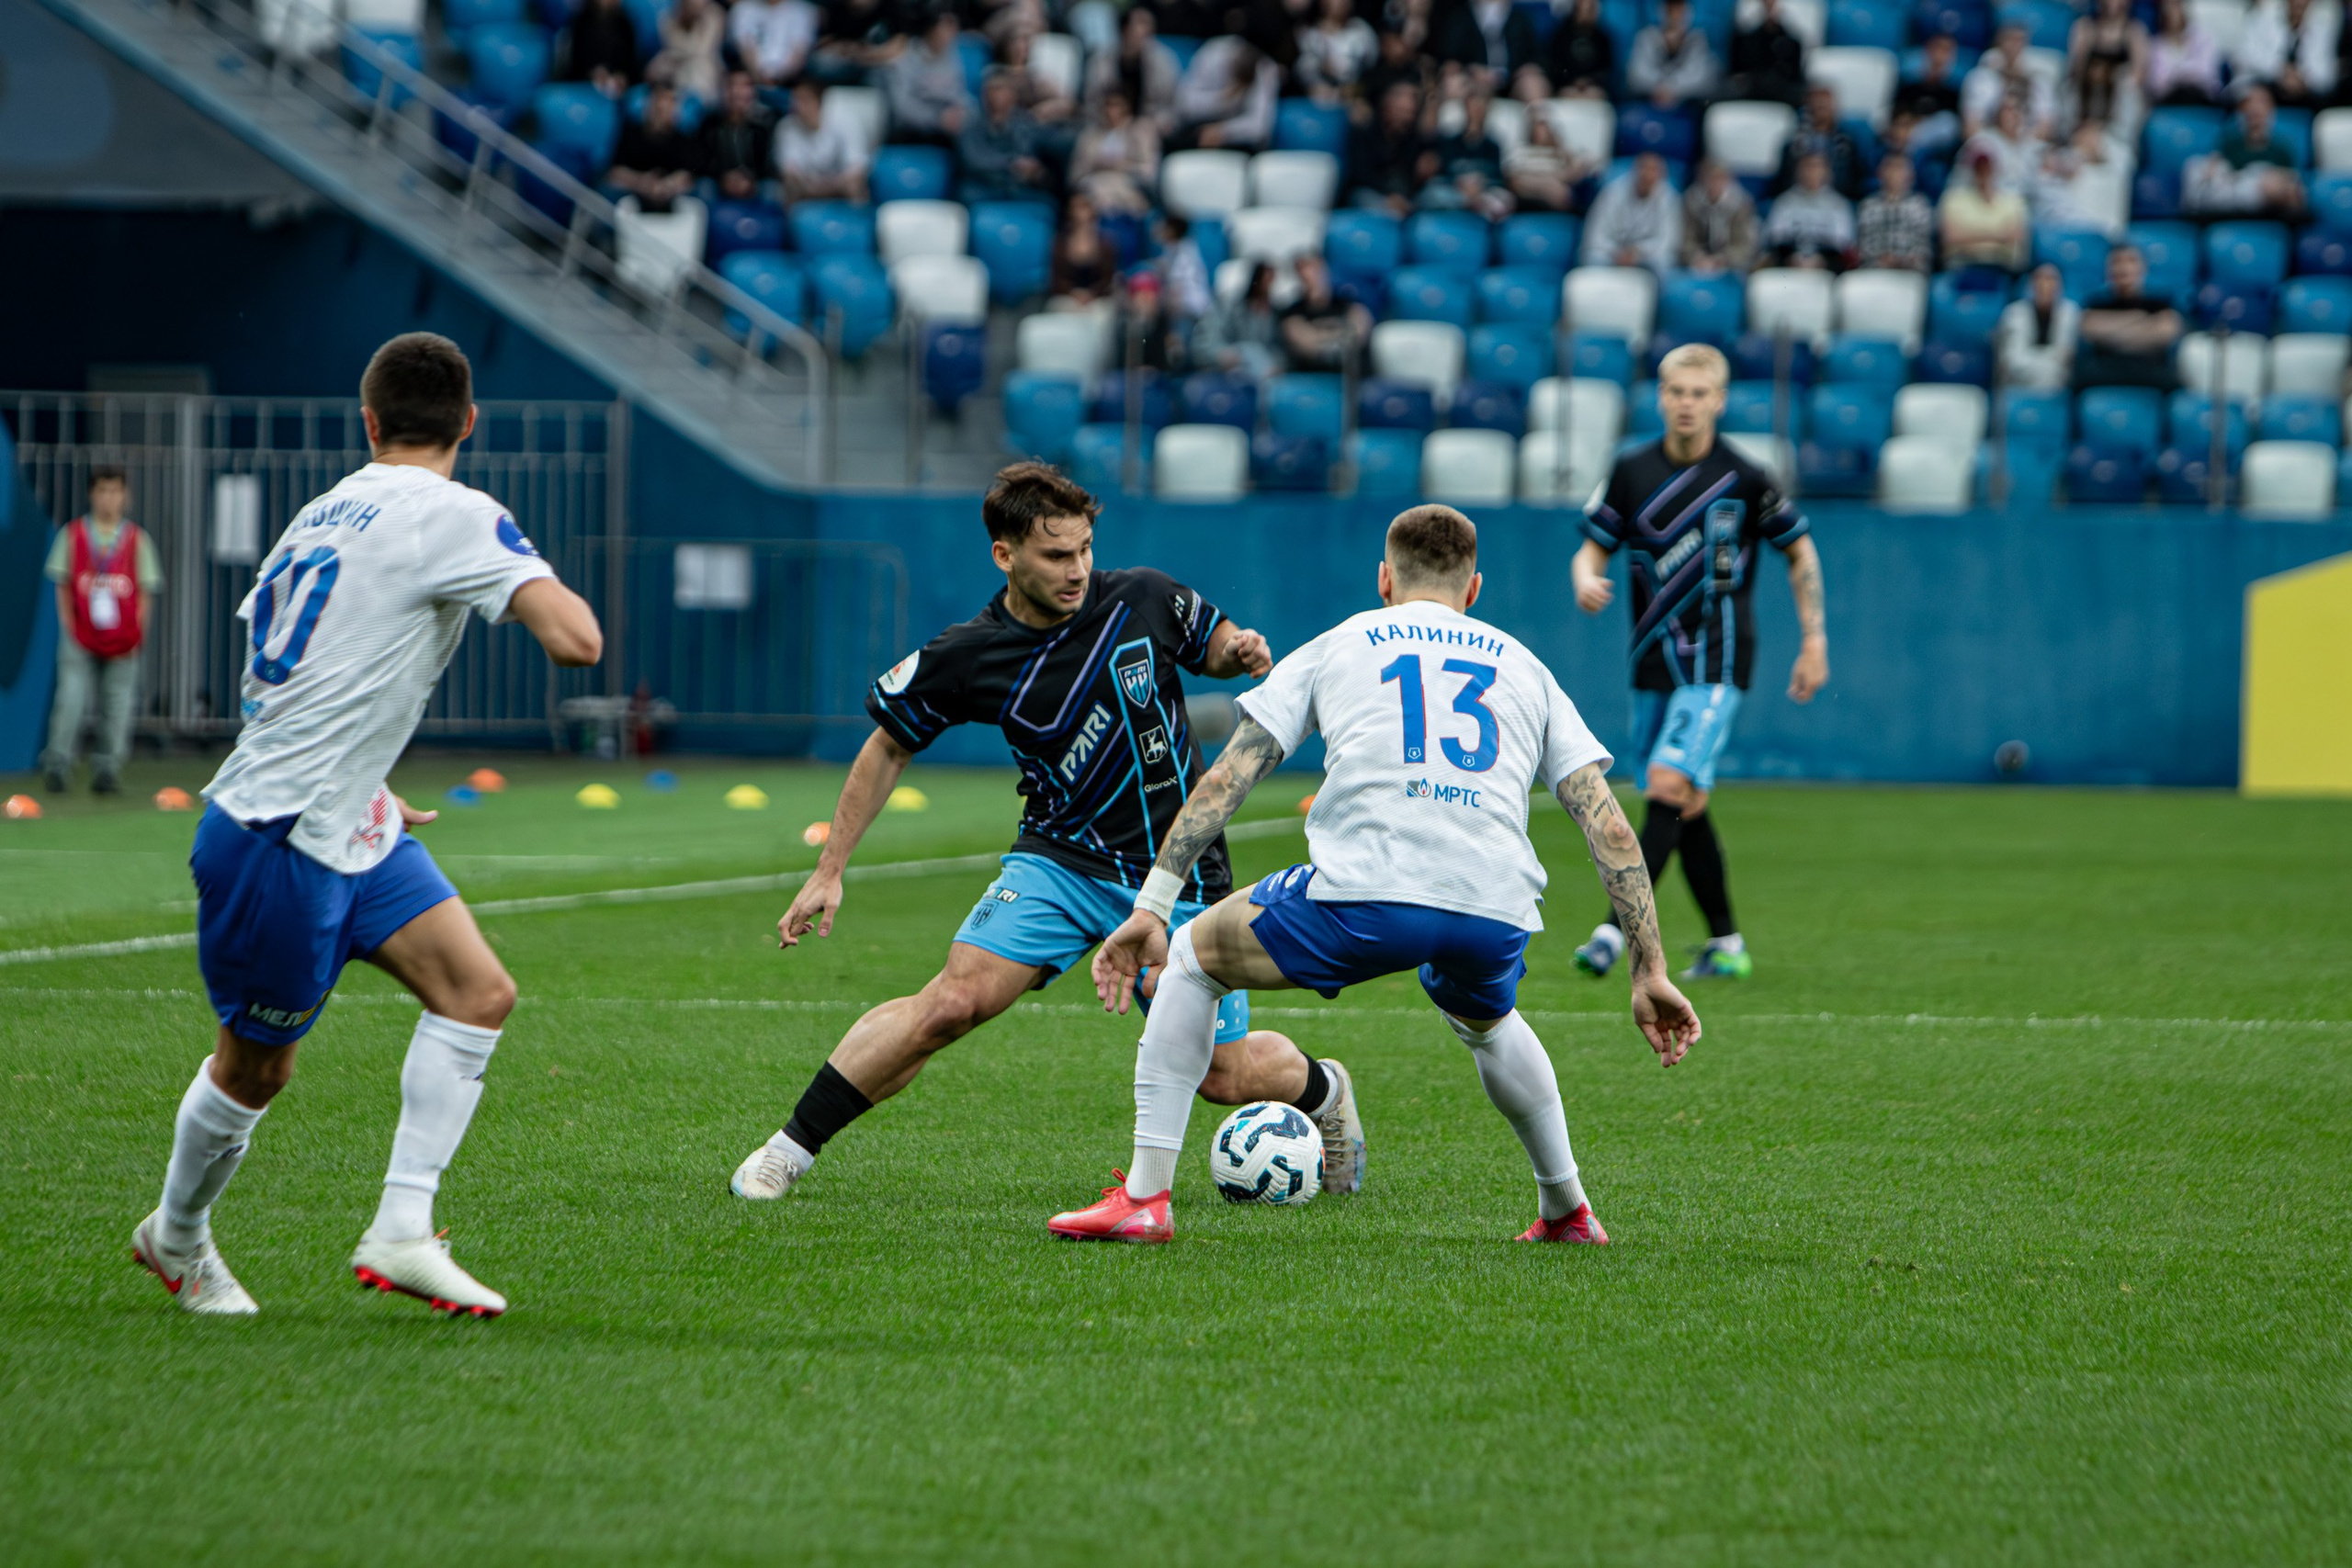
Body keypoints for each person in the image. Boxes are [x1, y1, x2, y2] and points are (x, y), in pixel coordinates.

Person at [1053, 505, 1702, 1247]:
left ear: (1385, 579)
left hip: (1363, 899)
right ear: (1475, 588)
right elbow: (1611, 825)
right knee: (1488, 1022)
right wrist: (1648, 966)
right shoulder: (1526, 667)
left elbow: (1228, 776)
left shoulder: (1340, 643)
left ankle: (1143, 1198)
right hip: (1493, 911)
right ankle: (1569, 1210)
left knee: (1194, 958)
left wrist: (1153, 906)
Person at [729, 465, 1365, 1206]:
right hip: (1058, 860)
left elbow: (1214, 645)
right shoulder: (969, 654)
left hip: (1179, 870)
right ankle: (787, 1150)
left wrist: (1240, 650)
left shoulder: (1143, 596)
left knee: (1221, 1074)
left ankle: (1323, 1088)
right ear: (1005, 555)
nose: (1077, 569)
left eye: (1085, 549)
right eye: (1056, 555)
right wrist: (829, 867)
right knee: (951, 1002)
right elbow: (888, 744)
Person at [131, 333, 604, 1317]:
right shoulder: (455, 512)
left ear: (369, 420)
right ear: (469, 422)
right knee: (257, 1068)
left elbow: (281, 680)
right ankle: (174, 1237)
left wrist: (367, 783)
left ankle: (401, 1230)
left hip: (347, 820)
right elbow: (578, 641)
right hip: (278, 837)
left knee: (477, 992)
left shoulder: (319, 511)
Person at [1570, 344, 1828, 984]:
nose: (1686, 403)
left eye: (1698, 393)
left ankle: (1613, 931)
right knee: (1687, 800)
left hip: (1719, 656)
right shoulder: (1631, 470)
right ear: (1661, 397)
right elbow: (1590, 551)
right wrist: (1584, 579)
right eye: (1675, 391)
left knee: (1664, 784)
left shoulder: (1746, 475)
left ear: (1718, 400)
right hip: (1651, 656)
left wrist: (1814, 639)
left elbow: (1800, 552)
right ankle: (1728, 942)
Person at [42, 466, 161, 795]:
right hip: (80, 634)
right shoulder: (74, 534)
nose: (108, 498)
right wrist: (69, 624)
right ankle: (58, 766)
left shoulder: (137, 539)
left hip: (123, 638)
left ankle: (108, 770)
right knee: (70, 700)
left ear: (126, 496)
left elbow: (145, 591)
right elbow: (62, 584)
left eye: (115, 491)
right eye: (102, 491)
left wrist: (137, 633)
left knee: (118, 706)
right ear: (92, 495)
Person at [2186, 84, 2309, 216]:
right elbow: (2216, 178)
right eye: (2249, 102)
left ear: (2271, 109)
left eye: (2262, 102)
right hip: (2233, 209)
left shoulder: (2283, 148)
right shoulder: (2229, 143)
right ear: (2241, 110)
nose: (2255, 108)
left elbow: (2293, 192)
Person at [2072, 243, 2183, 389]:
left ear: (2143, 267)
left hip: (2150, 370)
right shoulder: (2095, 302)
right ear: (2107, 269)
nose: (2123, 267)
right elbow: (2090, 330)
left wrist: (2111, 332)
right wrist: (2140, 319)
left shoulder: (2161, 301)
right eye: (2117, 262)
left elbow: (2165, 333)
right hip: (2105, 370)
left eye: (2131, 261)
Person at [607, 84, 706, 212]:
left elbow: (688, 175)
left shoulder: (683, 139)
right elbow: (615, 172)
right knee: (606, 191)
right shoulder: (630, 133)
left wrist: (667, 185)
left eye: (672, 101)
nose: (665, 106)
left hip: (670, 195)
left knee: (703, 191)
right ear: (649, 104)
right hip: (633, 192)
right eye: (660, 100)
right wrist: (641, 182)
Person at [1170, 35, 1280, 150]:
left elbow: (1260, 128)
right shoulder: (1213, 54)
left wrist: (1223, 132)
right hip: (1201, 124)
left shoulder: (1264, 67)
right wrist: (1224, 99)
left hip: (1236, 137)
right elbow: (1185, 104)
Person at [958, 69, 1052, 202]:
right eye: (993, 89)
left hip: (1015, 186)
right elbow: (973, 160)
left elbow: (1028, 152)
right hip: (982, 185)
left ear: (1013, 94)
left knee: (1048, 200)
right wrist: (1010, 164)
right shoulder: (970, 121)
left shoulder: (1024, 121)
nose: (996, 95)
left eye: (1001, 89)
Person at [1580, 152, 1680, 273]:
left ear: (1661, 175)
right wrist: (1617, 253)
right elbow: (1596, 235)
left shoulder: (1669, 198)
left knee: (1663, 262)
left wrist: (1637, 253)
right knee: (1592, 258)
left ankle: (1660, 293)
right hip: (1612, 253)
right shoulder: (1612, 193)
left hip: (1646, 256)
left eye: (1653, 170)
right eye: (1643, 168)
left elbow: (1667, 242)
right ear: (1634, 170)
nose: (1647, 175)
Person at [1349, 80, 1438, 215]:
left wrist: (1422, 171)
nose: (1407, 117)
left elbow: (1414, 176)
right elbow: (1360, 174)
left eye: (1411, 113)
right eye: (1403, 111)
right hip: (1373, 193)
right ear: (1387, 106)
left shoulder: (1413, 138)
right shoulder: (1367, 131)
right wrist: (1389, 196)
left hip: (1406, 197)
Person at [1086, 5, 1181, 132]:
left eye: (1150, 25)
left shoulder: (1163, 60)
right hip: (1106, 125)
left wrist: (1157, 122)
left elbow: (1172, 105)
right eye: (1142, 24)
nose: (1149, 30)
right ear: (1125, 28)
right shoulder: (1101, 61)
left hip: (1149, 126)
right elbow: (1091, 103)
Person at [887, 10, 975, 144]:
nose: (950, 36)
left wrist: (964, 112)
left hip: (948, 127)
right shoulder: (905, 56)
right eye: (944, 30)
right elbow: (902, 107)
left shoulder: (952, 56)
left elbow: (959, 94)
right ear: (930, 30)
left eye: (953, 31)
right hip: (913, 131)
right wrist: (937, 119)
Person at [1071, 87, 1161, 214]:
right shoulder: (1090, 135)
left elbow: (1149, 170)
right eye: (1108, 105)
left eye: (1117, 105)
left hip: (1129, 183)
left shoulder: (1142, 130)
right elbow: (1076, 174)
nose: (1111, 111)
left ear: (1127, 107)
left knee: (1117, 194)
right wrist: (1098, 165)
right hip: (1096, 182)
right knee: (1096, 194)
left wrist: (1121, 166)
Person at [775, 78, 868, 202]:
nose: (797, 106)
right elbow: (790, 171)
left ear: (819, 102)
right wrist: (813, 186)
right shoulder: (786, 127)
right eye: (796, 100)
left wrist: (834, 184)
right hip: (807, 188)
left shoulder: (846, 119)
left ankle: (857, 217)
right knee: (788, 185)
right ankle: (794, 220)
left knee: (856, 184)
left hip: (841, 185)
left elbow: (857, 165)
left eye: (804, 100)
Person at [1760, 151, 1856, 269]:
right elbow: (1774, 238)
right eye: (1807, 166)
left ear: (1827, 171)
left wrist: (1820, 260)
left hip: (1827, 264)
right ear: (1798, 170)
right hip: (1789, 262)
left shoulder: (1839, 205)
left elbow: (1843, 243)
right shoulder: (1784, 202)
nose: (1812, 172)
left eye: (1816, 166)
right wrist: (1794, 258)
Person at [1939, 145, 2030, 270]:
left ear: (1996, 168)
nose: (1984, 172)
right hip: (1963, 265)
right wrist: (1998, 236)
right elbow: (1951, 237)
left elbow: (2015, 237)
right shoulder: (1954, 198)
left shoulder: (2013, 201)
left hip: (2002, 267)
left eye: (1987, 167)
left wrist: (1970, 235)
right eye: (1979, 168)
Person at [1279, 253, 1373, 372]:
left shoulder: (1350, 303)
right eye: (1303, 270)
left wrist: (1319, 336)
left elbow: (1358, 334)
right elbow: (1305, 344)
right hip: (1311, 378)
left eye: (1316, 269)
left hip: (1352, 377)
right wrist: (1340, 335)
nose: (1310, 275)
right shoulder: (1292, 312)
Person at [1424, 91, 1512, 217]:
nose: (1476, 111)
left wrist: (1480, 186)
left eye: (1480, 106)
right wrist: (1460, 184)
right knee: (1433, 194)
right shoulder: (1450, 142)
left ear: (1487, 109)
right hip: (1455, 193)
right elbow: (1441, 176)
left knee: (1504, 199)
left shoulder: (1493, 146)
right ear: (1465, 109)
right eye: (1472, 106)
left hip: (1484, 193)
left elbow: (1498, 179)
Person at [1193, 261, 1286, 380]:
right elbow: (1203, 347)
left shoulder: (1276, 313)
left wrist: (1275, 365)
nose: (1267, 283)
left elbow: (1283, 353)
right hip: (1223, 378)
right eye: (1263, 277)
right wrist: (1223, 355)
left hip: (1265, 380)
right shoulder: (1226, 307)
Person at [2237, 0, 2338, 108]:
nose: (2299, 3)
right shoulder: (2264, 15)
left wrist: (2303, 79)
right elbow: (2246, 57)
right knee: (2257, 95)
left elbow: (2326, 76)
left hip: (2304, 92)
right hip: (2267, 83)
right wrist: (2281, 72)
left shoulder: (2321, 25)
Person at [1773, 84, 1865, 199]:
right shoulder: (1794, 144)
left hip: (1839, 200)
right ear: (1808, 106)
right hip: (1798, 198)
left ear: (1834, 106)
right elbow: (1784, 179)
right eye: (1817, 103)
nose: (1820, 107)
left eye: (1825, 104)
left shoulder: (1848, 142)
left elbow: (1855, 178)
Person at [1962, 23, 2055, 136]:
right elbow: (1971, 127)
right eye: (2010, 39)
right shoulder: (1981, 77)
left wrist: (2021, 149)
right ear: (1999, 42)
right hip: (1991, 141)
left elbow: (2045, 127)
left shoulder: (2039, 79)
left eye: (2019, 40)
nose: (2014, 46)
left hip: (2027, 144)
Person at [2068, 0, 2148, 131]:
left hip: (2118, 91)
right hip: (2090, 86)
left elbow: (2139, 72)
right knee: (2072, 87)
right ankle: (2078, 130)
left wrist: (2111, 76)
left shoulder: (2135, 30)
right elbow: (2077, 66)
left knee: (2129, 89)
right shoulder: (2084, 26)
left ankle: (2120, 135)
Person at [702, 71, 780, 203]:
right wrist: (724, 178)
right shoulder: (709, 123)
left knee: (773, 191)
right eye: (732, 85)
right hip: (720, 181)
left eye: (745, 86)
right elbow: (703, 161)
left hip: (754, 182)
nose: (737, 92)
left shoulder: (764, 124)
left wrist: (749, 179)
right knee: (704, 188)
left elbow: (768, 165)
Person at [1998, 263, 2080, 389]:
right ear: (2030, 285)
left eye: (2050, 279)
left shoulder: (2070, 312)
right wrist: (2048, 362)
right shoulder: (2014, 312)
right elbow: (2014, 361)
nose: (2044, 285)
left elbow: (2064, 357)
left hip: (2057, 385)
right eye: (2039, 279)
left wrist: (2034, 359)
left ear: (2060, 285)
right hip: (2018, 384)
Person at [1627, 0, 1719, 108]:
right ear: (1661, 11)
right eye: (1670, 10)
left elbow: (1701, 79)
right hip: (1649, 104)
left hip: (1687, 106)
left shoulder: (1697, 39)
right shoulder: (1646, 37)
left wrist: (1673, 90)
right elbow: (1636, 75)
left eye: (1679, 10)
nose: (1675, 15)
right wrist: (1660, 88)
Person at [1434, 0, 1539, 90]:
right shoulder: (1460, 18)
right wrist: (1470, 70)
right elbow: (1449, 60)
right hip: (1473, 80)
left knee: (1533, 85)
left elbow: (1536, 58)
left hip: (1513, 82)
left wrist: (1523, 71)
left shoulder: (1520, 19)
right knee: (1452, 84)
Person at [1856, 152, 1935, 271]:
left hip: (1911, 270)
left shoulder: (1920, 205)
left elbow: (1923, 245)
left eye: (1900, 168)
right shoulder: (1868, 205)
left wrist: (1904, 260)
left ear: (1911, 174)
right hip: (1874, 268)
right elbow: (1864, 244)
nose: (1895, 173)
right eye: (1890, 167)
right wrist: (1882, 259)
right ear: (1880, 172)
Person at [1722, 0, 1807, 107]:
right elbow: (1737, 70)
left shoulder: (1792, 42)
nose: (1769, 8)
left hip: (1782, 91)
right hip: (1750, 89)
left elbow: (1794, 74)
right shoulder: (1743, 40)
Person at [1504, 109, 1589, 212]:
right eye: (1539, 125)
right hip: (1530, 196)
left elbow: (1582, 167)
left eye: (1547, 124)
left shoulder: (1562, 152)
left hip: (1563, 194)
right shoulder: (1521, 151)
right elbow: (1514, 178)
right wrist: (1548, 184)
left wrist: (1563, 152)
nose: (1544, 129)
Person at [1894, 32, 1966, 153]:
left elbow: (1954, 125)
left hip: (1936, 144)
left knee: (1948, 123)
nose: (1939, 56)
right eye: (1936, 48)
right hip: (1906, 131)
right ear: (1927, 50)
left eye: (1945, 50)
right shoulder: (1909, 84)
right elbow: (1898, 111)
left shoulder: (1955, 90)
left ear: (1952, 56)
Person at [1295, 0, 1380, 101]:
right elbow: (1300, 72)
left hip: (1355, 98)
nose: (1342, 3)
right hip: (1314, 99)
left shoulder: (1362, 30)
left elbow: (1375, 69)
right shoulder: (1308, 34)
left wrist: (1358, 90)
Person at [2146, 0, 2222, 106]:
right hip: (2169, 102)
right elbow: (2157, 84)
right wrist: (2187, 73)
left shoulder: (2203, 39)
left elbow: (2206, 75)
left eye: (2175, 6)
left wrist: (2175, 74)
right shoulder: (2156, 45)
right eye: (2167, 8)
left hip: (2202, 99)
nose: (2172, 12)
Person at [729, 0, 820, 87]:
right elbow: (746, 49)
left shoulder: (803, 11)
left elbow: (799, 53)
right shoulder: (743, 9)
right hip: (752, 80)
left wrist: (777, 79)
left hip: (790, 82)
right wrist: (760, 76)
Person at [650, 0, 726, 104]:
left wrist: (670, 56)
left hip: (706, 85)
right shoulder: (668, 19)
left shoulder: (714, 16)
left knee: (699, 64)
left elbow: (700, 51)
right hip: (676, 84)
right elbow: (675, 46)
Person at [1050, 193, 1118, 306]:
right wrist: (1073, 294)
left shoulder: (1106, 244)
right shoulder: (1060, 244)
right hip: (1067, 298)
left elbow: (1108, 279)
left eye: (1084, 207)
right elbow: (1056, 278)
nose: (1080, 213)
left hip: (1098, 299)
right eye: (1075, 208)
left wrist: (1092, 294)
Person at [1543, 0, 1615, 96]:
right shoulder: (1561, 36)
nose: (1587, 13)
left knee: (1594, 94)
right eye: (1584, 9)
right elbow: (1555, 66)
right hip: (1567, 87)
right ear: (1575, 10)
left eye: (1591, 10)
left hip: (1593, 88)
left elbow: (1606, 69)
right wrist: (1573, 81)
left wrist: (1589, 81)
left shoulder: (1602, 38)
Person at [565, 0, 640, 93]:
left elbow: (632, 64)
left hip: (618, 88)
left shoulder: (625, 24)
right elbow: (574, 64)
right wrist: (593, 73)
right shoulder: (580, 22)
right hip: (585, 85)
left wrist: (622, 77)